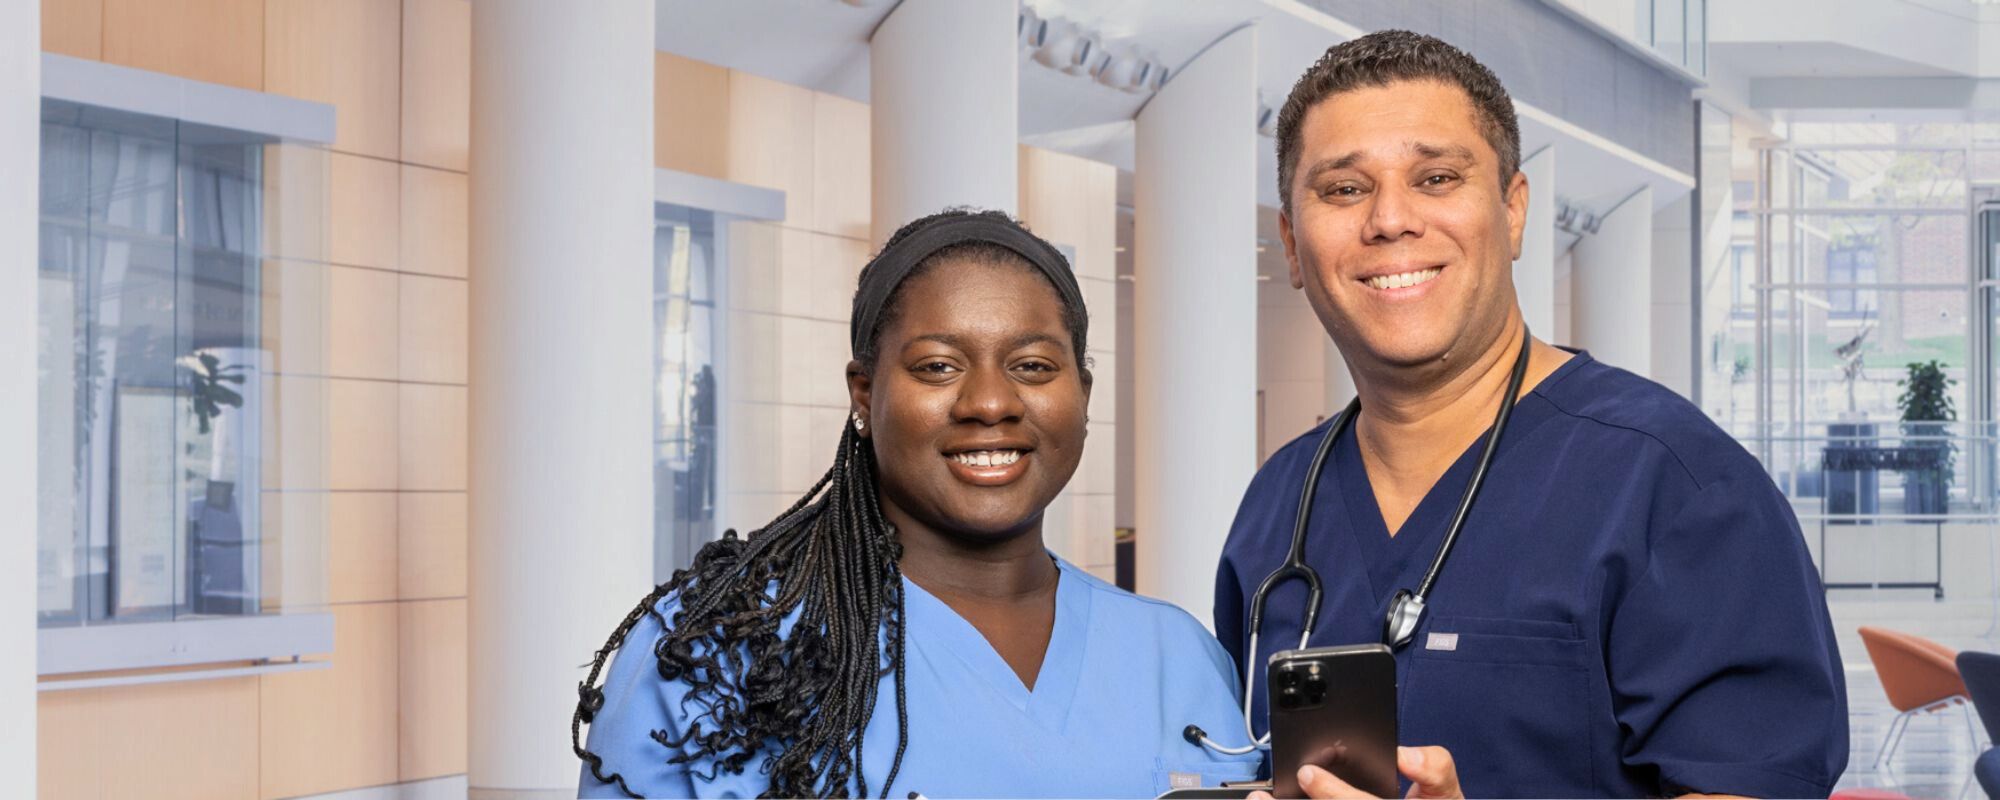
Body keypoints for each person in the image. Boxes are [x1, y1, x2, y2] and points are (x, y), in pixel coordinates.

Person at [1213, 31, 1848, 798]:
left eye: (1437, 177)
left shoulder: (1677, 487)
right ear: (1290, 241)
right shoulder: (1279, 505)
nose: (1390, 219)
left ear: (1513, 213)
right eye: (1344, 189)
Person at [575, 209, 1260, 798]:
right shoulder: (714, 655)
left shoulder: (1178, 659)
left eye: (1033, 366)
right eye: (938, 366)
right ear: (864, 396)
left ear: (1081, 393)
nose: (989, 402)